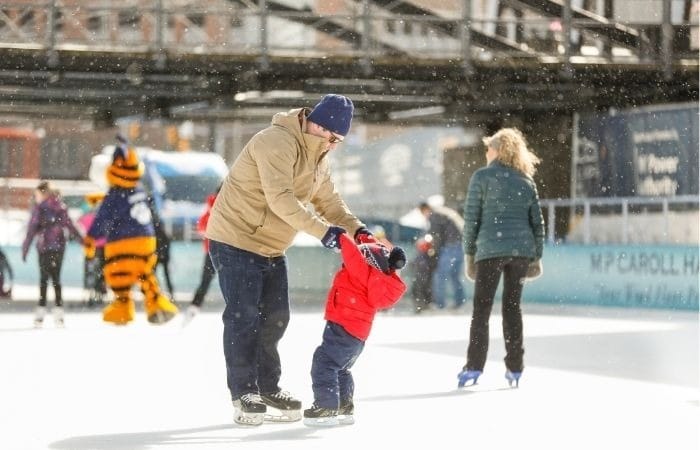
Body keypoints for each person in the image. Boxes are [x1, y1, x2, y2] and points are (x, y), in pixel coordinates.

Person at [206, 94, 378, 426]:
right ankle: (244, 392)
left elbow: (330, 203)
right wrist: (323, 232)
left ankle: (268, 387)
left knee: (276, 317)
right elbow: (281, 199)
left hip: (271, 247)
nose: (332, 145)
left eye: (338, 141)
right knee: (243, 316)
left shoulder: (318, 158)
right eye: (332, 137)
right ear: (318, 125)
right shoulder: (275, 141)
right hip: (235, 238)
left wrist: (358, 231)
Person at [458, 127, 545, 389]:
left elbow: (471, 219)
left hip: (489, 251)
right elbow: (537, 222)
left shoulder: (482, 177)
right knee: (512, 308)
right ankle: (515, 367)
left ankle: (474, 366)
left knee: (481, 310)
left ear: (496, 150)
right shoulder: (525, 180)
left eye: (488, 148)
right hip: (520, 252)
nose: (486, 153)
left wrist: (469, 254)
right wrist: (536, 256)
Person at [303, 233, 406, 426]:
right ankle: (344, 407)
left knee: (324, 363)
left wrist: (340, 236)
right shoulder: (376, 275)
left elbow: (353, 254)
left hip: (342, 326)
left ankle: (326, 408)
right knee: (341, 368)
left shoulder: (360, 270)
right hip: (357, 334)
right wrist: (364, 236)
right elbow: (374, 253)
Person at [84, 135, 179, 325]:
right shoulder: (140, 189)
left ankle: (122, 307)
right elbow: (128, 205)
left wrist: (91, 238)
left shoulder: (114, 194)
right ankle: (158, 305)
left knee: (117, 273)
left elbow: (103, 217)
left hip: (123, 241)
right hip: (146, 240)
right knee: (144, 273)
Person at [22, 181, 83, 327]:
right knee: (56, 279)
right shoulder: (60, 206)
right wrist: (82, 240)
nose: (36, 198)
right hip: (59, 248)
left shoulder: (40, 208)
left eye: (37, 195)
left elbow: (31, 229)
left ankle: (40, 313)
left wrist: (25, 248)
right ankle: (59, 313)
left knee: (44, 280)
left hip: (44, 248)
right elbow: (70, 225)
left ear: (43, 193)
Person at [183, 184, 220, 326]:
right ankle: (240, 306)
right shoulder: (225, 205)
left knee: (205, 280)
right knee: (234, 280)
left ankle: (195, 305)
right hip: (226, 249)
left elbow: (201, 226)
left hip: (211, 250)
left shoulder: (211, 206)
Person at [418, 201, 467, 309]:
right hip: (460, 246)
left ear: (425, 209)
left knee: (440, 276)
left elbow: (436, 235)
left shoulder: (434, 215)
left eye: (423, 213)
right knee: (455, 276)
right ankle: (460, 302)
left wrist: (433, 250)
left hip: (450, 246)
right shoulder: (443, 212)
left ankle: (440, 304)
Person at [77, 192, 107, 306]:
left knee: (90, 272)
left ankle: (90, 294)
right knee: (100, 272)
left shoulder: (85, 218)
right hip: (102, 248)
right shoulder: (103, 217)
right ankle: (99, 293)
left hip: (90, 249)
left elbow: (80, 231)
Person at [408, 233, 437, 313]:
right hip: (420, 277)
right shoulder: (421, 256)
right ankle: (421, 306)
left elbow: (431, 265)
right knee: (420, 290)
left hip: (423, 277)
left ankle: (422, 306)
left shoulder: (428, 255)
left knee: (423, 290)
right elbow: (412, 264)